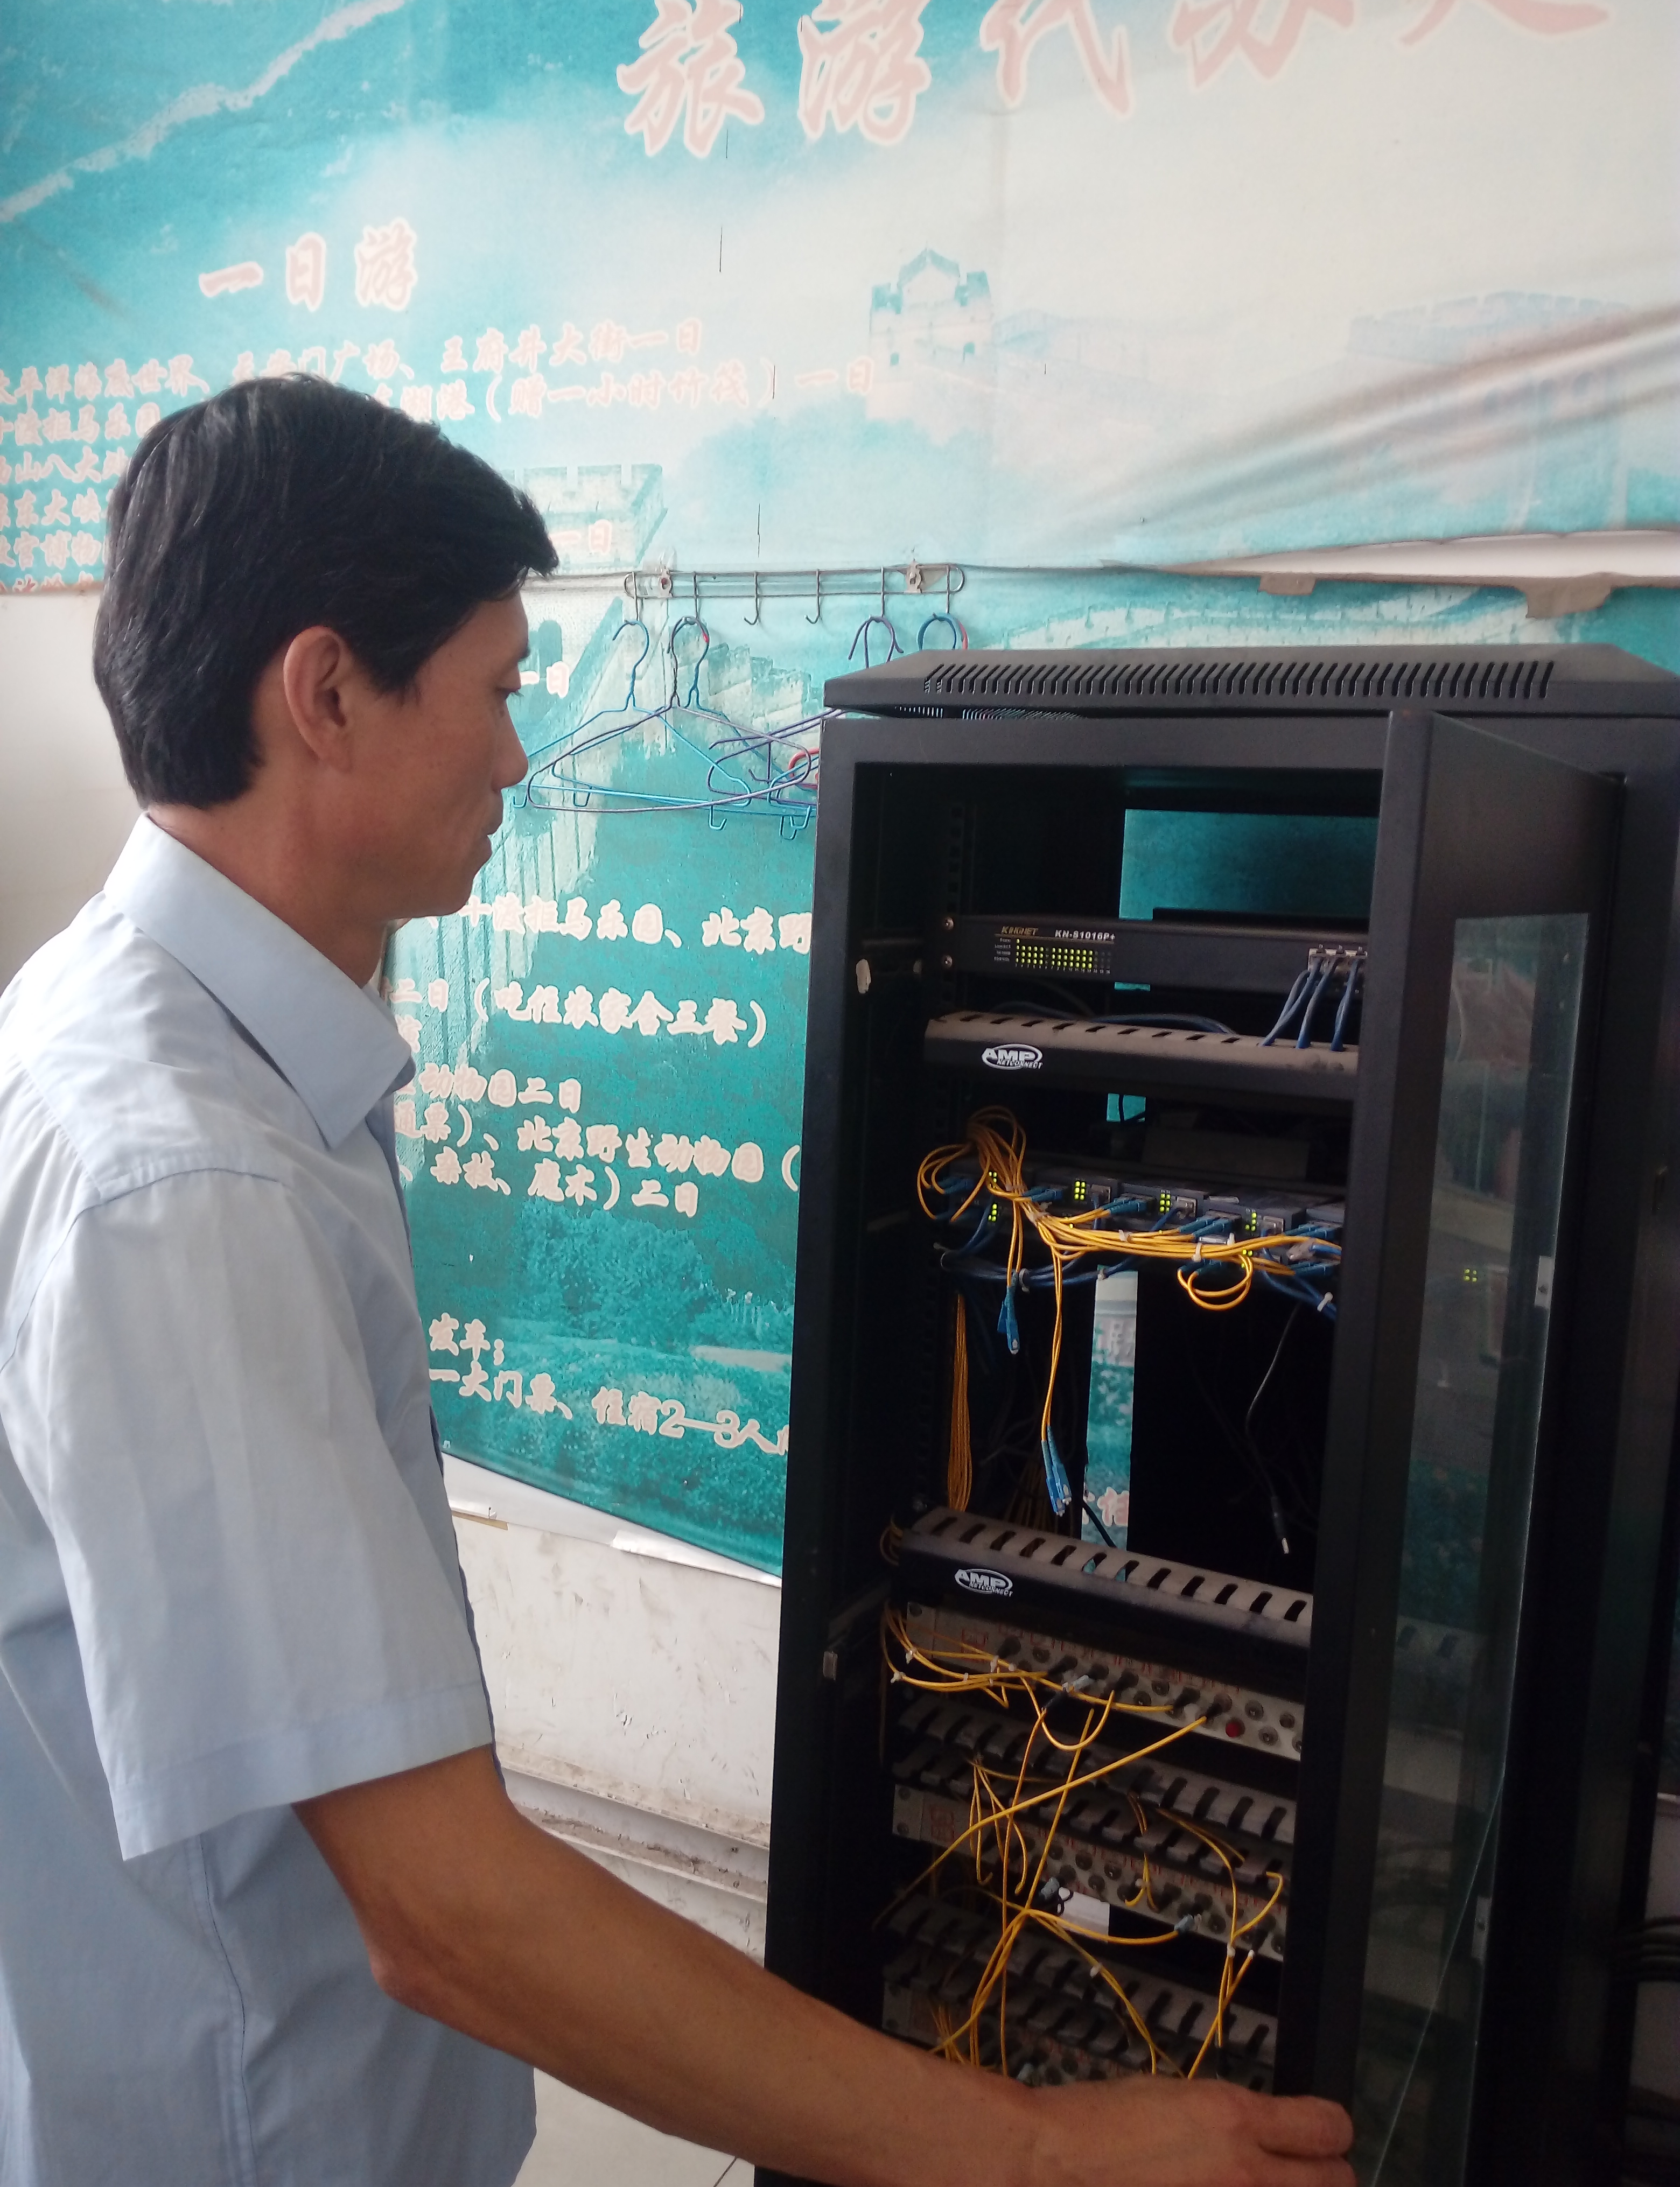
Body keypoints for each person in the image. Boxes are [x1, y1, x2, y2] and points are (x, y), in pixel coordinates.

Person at [0, 376, 1354, 2187]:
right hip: (253, 2131)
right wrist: (1034, 2155)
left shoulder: (133, 1035)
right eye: (497, 690)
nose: (518, 758)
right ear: (324, 695)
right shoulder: (186, 1183)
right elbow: (445, 1913)